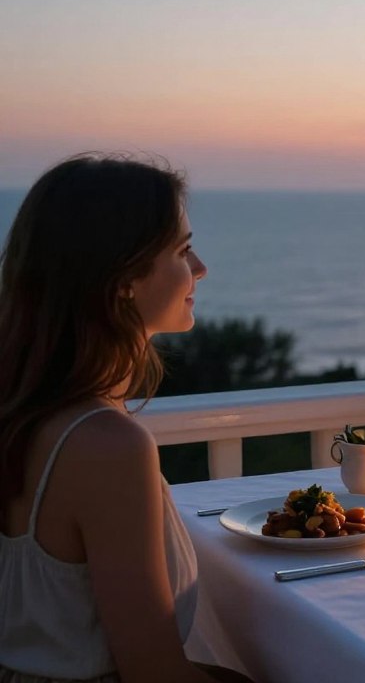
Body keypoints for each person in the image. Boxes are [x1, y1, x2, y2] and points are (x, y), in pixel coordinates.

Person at [0, 154, 252, 682]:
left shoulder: (31, 413)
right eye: (183, 251)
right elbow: (154, 673)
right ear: (123, 279)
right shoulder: (106, 446)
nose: (201, 268)